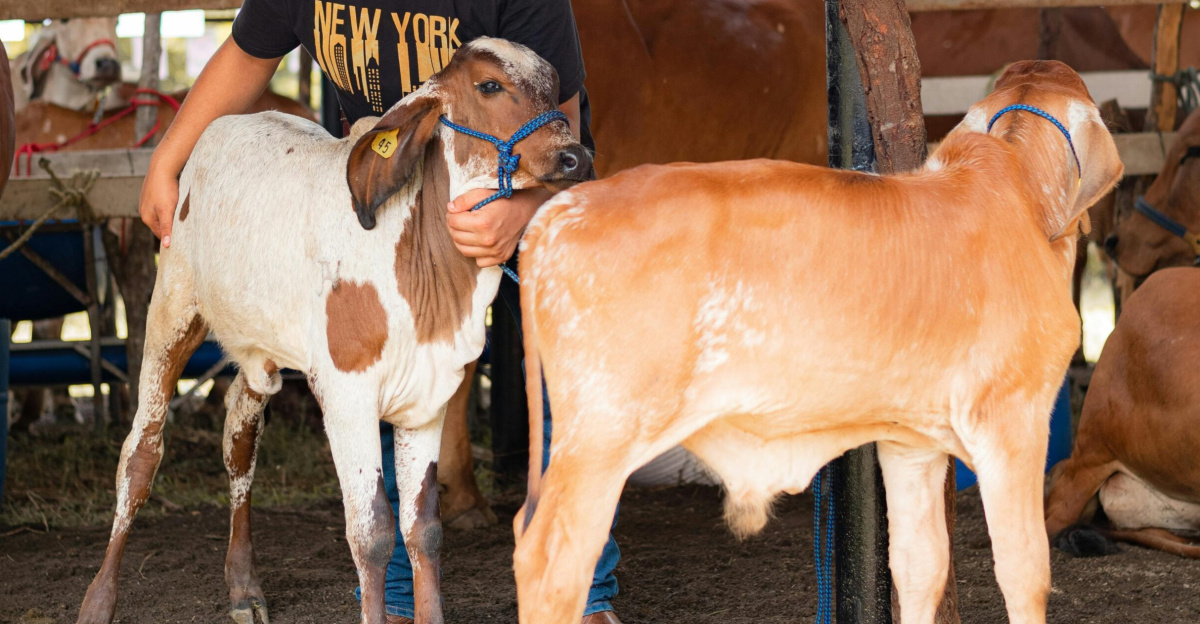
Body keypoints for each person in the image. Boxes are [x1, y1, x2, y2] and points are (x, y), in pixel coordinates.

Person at [136, 2, 622, 623]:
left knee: (565, 342)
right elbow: (248, 54)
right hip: (388, 191)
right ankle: (394, 599)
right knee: (373, 367)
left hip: (515, 193)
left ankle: (580, 590)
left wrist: (523, 211)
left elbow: (565, 136)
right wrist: (165, 161)